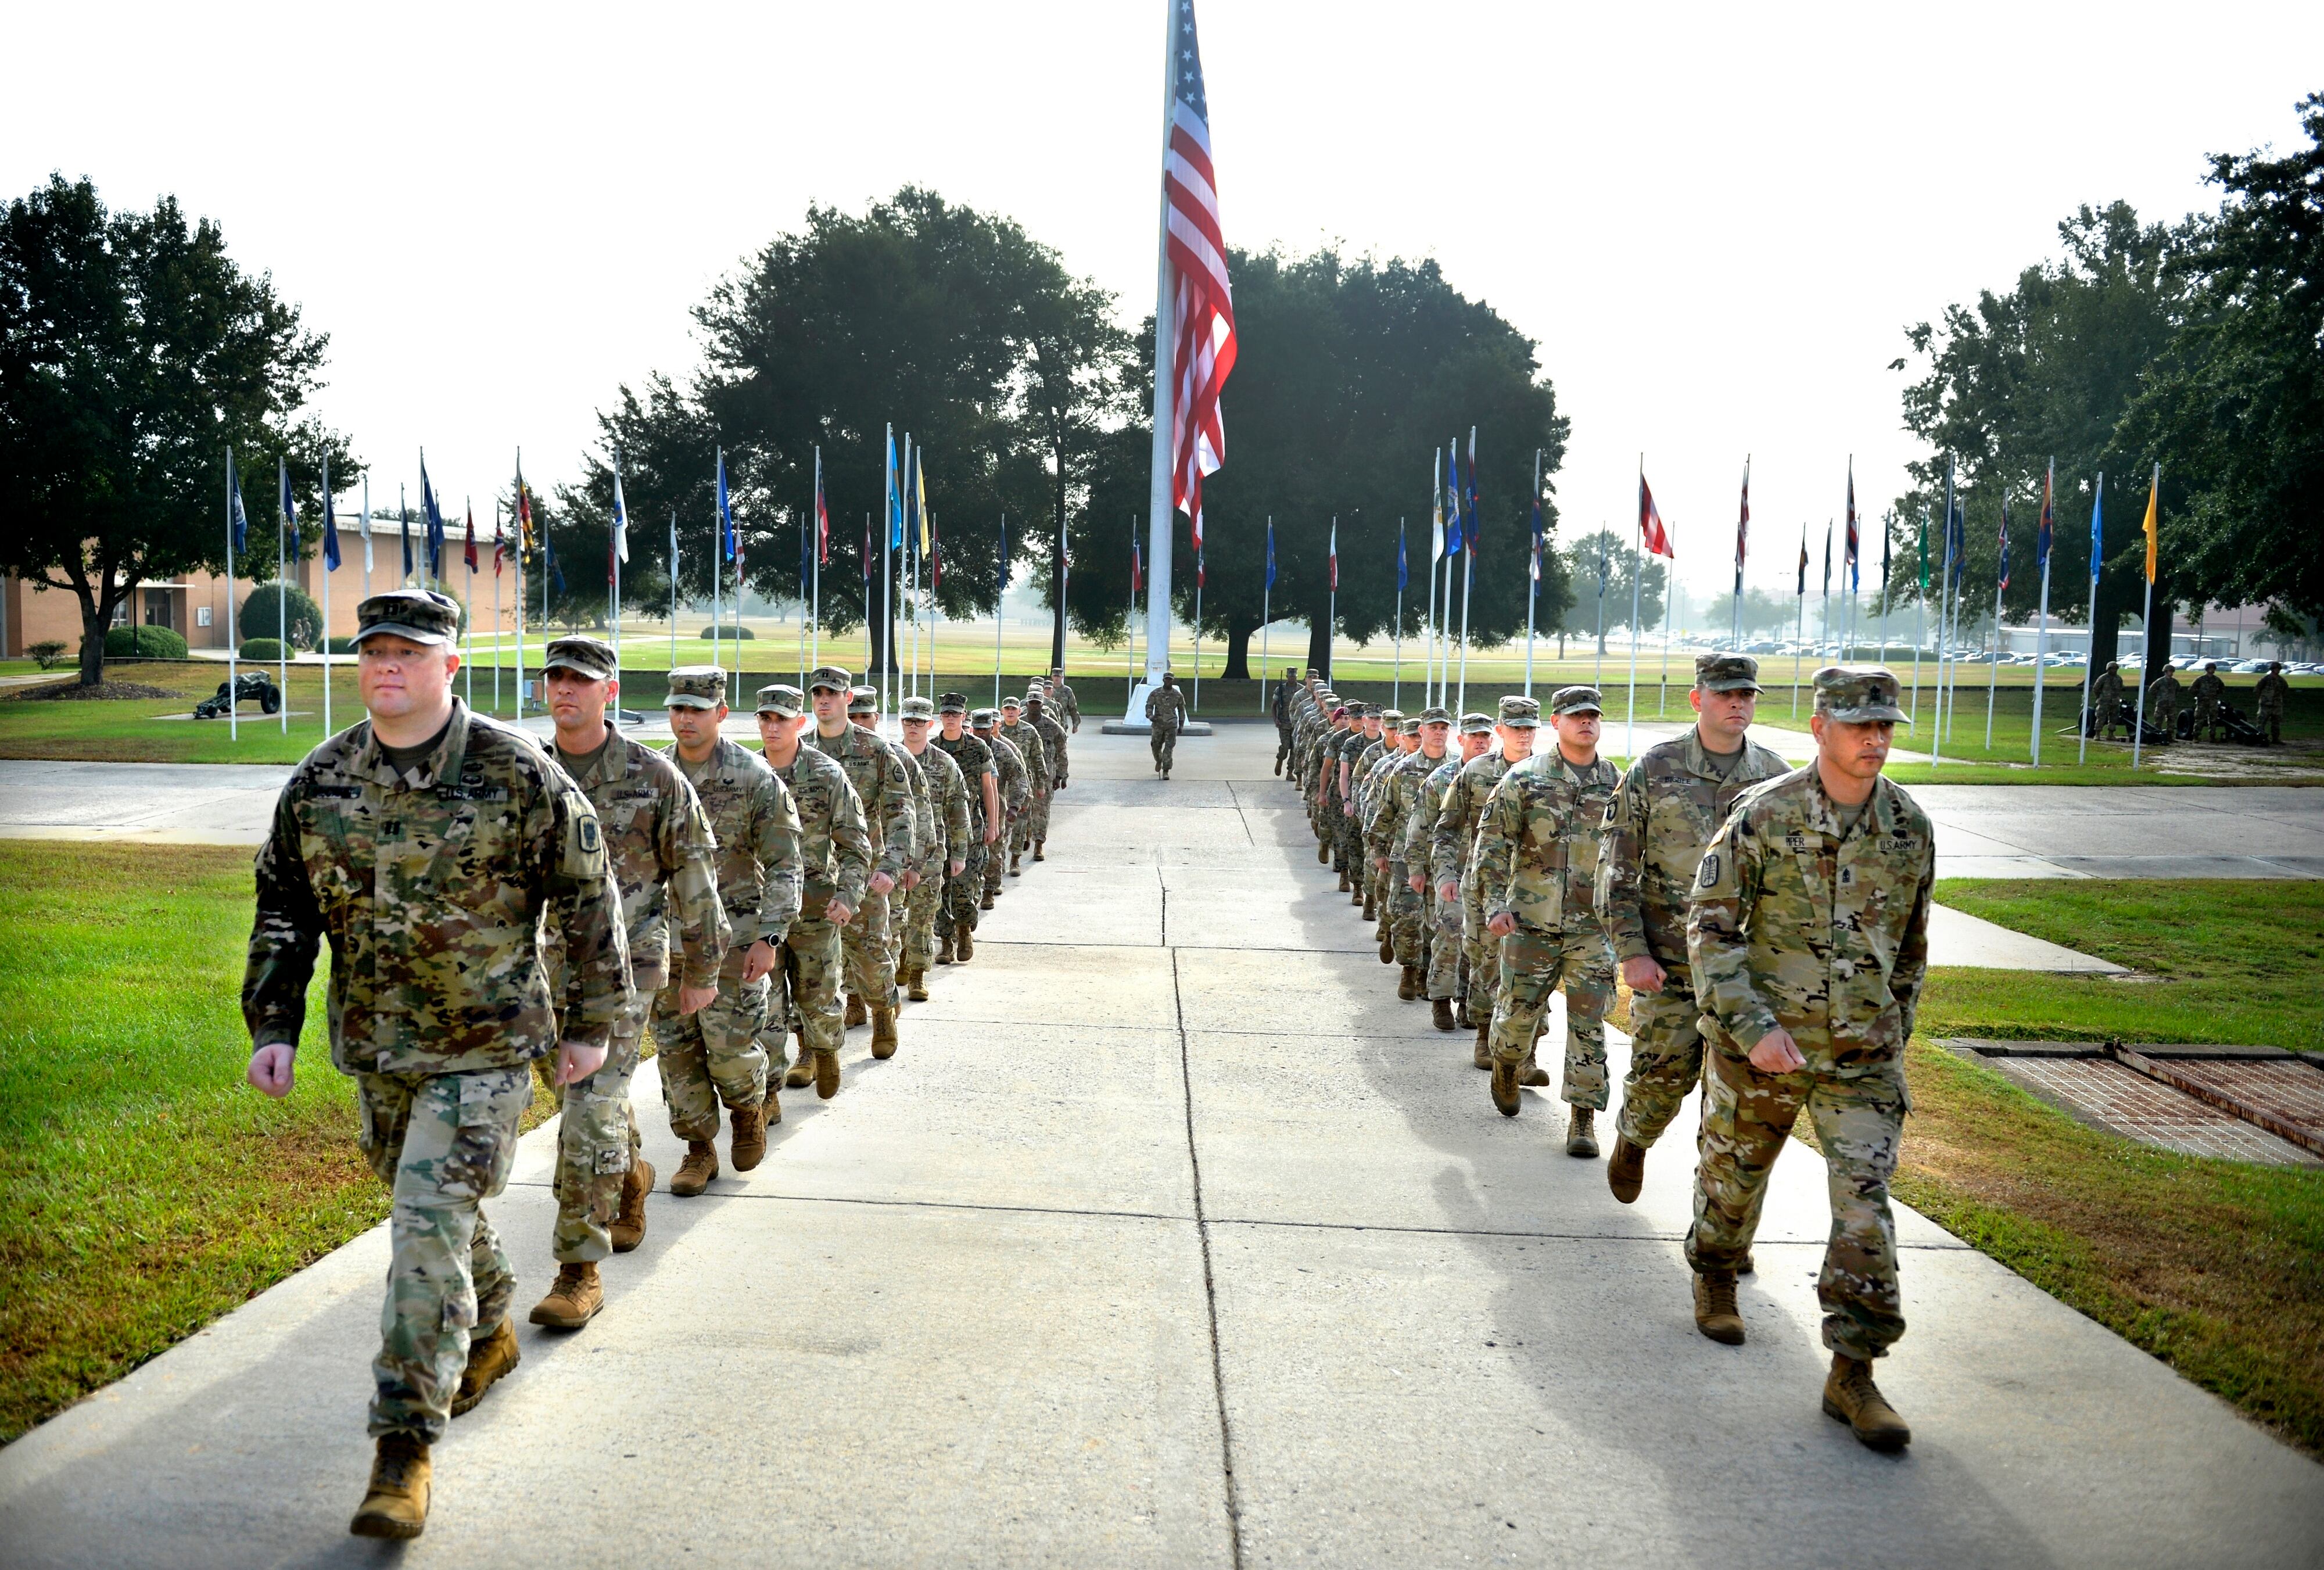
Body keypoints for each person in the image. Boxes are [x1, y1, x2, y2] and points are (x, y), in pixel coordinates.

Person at [242, 590, 629, 1539]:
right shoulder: (322, 777)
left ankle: (402, 1449)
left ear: (449, 666)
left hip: (486, 1049)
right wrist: (273, 1022)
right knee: (437, 1214)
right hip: (377, 1047)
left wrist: (594, 1022)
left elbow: (588, 895)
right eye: (374, 651)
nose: (388, 666)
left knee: (423, 1229)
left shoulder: (515, 771)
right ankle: (489, 1327)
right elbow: (284, 905)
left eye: (409, 653)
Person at [1685, 665, 1933, 1452]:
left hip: (1862, 1054)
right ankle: (1716, 1268)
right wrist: (1751, 1026)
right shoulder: (1765, 814)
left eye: (1885, 725)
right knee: (1733, 1180)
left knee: (1865, 1204)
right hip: (1764, 1047)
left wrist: (1892, 1031)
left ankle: (1853, 1368)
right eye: (1860, 725)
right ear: (1821, 726)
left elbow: (1910, 949)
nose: (1875, 739)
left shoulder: (1909, 825)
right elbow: (1711, 928)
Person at [529, 637, 730, 1331]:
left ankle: (578, 1271)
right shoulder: (526, 773)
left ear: (609, 690)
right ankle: (632, 1171)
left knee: (586, 1110)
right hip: (545, 968)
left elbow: (695, 878)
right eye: (555, 677)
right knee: (585, 1096)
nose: (565, 688)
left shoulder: (654, 776)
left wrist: (702, 969)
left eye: (580, 679)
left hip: (627, 966)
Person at [1597, 654, 1790, 1205]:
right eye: (1726, 694)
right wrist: (1631, 952)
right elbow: (1615, 868)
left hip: (1743, 973)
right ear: (1697, 698)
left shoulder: (1775, 777)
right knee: (1661, 1080)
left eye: (1747, 695)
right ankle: (1635, 1137)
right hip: (1670, 964)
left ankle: (1717, 1216)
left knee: (1734, 1105)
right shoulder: (1655, 768)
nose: (1738, 703)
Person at [658, 667, 804, 1196]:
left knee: (730, 1051)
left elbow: (785, 862)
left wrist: (770, 937)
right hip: (667, 946)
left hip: (735, 943)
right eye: (678, 708)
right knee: (676, 1055)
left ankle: (747, 1110)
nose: (685, 719)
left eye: (697, 710)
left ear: (720, 713)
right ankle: (699, 1149)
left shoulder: (752, 777)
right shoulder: (654, 775)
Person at [1472, 687, 1621, 1148]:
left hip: (1592, 929)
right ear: (1556, 723)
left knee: (1589, 1025)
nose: (1586, 723)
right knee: (1518, 1017)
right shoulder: (1524, 778)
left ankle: (1582, 1119)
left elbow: (1632, 853)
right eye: (1576, 716)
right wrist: (1495, 906)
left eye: (1593, 715)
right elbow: (1492, 844)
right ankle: (1506, 1064)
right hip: (1530, 922)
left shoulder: (1618, 783)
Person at [759, 685, 871, 1100]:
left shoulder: (826, 774)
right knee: (765, 1008)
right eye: (766, 718)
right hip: (762, 913)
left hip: (816, 908)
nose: (773, 727)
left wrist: (849, 895)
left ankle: (824, 1051)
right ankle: (768, 1097)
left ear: (800, 723)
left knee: (817, 998)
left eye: (782, 719)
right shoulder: (748, 773)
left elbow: (856, 844)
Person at [806, 666, 914, 1060]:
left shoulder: (876, 750)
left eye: (832, 694)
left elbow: (901, 812)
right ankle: (812, 1048)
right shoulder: (800, 751)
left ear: (847, 698)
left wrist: (892, 867)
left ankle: (883, 1012)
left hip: (865, 871)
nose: (824, 700)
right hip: (814, 873)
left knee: (870, 953)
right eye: (818, 693)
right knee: (811, 965)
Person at [1433, 696, 1538, 1064]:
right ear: (1500, 730)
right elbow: (1446, 829)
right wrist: (1445, 873)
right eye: (1516, 727)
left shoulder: (1548, 773)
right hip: (1482, 885)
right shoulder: (1476, 772)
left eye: (1530, 728)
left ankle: (1527, 1055)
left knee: (1534, 971)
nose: (1523, 734)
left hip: (1535, 891)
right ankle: (1483, 1035)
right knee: (1487, 965)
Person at [1410, 713, 1493, 1031]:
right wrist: (1417, 868)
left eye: (1485, 736)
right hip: (1451, 872)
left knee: (1480, 943)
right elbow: (1422, 824)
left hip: (1488, 876)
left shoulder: (1503, 777)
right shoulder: (1443, 778)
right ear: (1462, 740)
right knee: (1450, 934)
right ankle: (1442, 1000)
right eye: (1474, 737)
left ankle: (1468, 1002)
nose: (1480, 742)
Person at [1374, 709, 1450, 1000]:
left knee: (1436, 922)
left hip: (1443, 859)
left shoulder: (1458, 768)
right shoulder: (1403, 769)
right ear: (1422, 730)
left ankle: (1424, 972)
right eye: (1433, 728)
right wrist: (1378, 849)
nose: (1438, 733)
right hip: (1405, 855)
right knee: (1407, 917)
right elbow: (1386, 810)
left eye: (1443, 728)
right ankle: (1408, 967)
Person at [897, 696, 970, 998]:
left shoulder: (944, 763)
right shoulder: (889, 757)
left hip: (930, 852)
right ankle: (900, 958)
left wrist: (960, 852)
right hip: (893, 853)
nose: (913, 727)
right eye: (908, 721)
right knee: (893, 916)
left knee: (923, 914)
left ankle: (917, 974)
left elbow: (958, 809)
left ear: (930, 724)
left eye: (919, 721)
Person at [931, 693, 999, 957]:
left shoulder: (978, 748)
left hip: (971, 829)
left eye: (955, 714)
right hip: (938, 832)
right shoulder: (932, 748)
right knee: (941, 887)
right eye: (946, 714)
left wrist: (993, 825)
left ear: (964, 716)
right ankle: (945, 941)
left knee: (965, 884)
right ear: (940, 717)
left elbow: (988, 788)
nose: (951, 718)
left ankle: (964, 931)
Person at [974, 707, 1030, 907]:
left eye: (985, 729)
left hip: (997, 809)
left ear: (993, 728)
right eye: (978, 729)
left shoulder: (1004, 750)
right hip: (970, 808)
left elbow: (1019, 778)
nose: (981, 733)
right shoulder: (967, 748)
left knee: (994, 851)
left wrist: (1015, 806)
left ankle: (989, 890)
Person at [997, 694, 1052, 874]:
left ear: (1019, 711)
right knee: (1002, 826)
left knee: (1020, 823)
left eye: (1013, 709)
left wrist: (1041, 784)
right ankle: (1000, 861)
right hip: (1001, 785)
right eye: (1007, 709)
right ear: (1002, 711)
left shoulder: (1029, 731)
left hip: (1022, 784)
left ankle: (1015, 860)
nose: (1010, 712)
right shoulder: (996, 731)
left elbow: (1038, 758)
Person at [1025, 693, 1070, 858]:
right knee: (1024, 809)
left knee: (1042, 810)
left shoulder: (1052, 726)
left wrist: (1061, 775)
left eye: (1037, 703)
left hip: (1045, 776)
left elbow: (1062, 751)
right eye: (1032, 703)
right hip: (1023, 775)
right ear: (1027, 704)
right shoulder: (1020, 724)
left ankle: (1039, 844)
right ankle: (1026, 833)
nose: (1034, 706)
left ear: (1042, 705)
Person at [1146, 671, 1189, 778]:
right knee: (1155, 745)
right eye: (1167, 679)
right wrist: (1150, 716)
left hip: (1171, 725)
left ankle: (1166, 770)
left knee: (1169, 748)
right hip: (1158, 724)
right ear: (1163, 680)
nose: (1168, 681)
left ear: (1173, 681)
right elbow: (1149, 705)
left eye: (1170, 679)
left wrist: (1181, 725)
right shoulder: (1156, 693)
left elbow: (1181, 710)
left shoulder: (1178, 695)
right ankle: (1159, 760)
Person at [1272, 665, 1300, 776]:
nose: (1292, 678)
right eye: (1290, 676)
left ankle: (1290, 772)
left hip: (1296, 724)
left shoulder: (1301, 690)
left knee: (1295, 749)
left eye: (1294, 676)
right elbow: (1274, 706)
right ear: (1287, 676)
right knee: (1285, 747)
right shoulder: (1280, 689)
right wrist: (1276, 720)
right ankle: (1280, 759)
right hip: (1284, 723)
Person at [2255, 660, 2291, 745]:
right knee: (2261, 722)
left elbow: (2285, 690)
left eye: (2279, 669)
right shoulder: (2265, 679)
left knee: (2276, 723)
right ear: (2272, 669)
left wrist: (2280, 699)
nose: (2278, 670)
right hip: (2265, 704)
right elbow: (2258, 689)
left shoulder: (2281, 681)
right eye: (2276, 669)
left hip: (2277, 705)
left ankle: (2276, 738)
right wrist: (2261, 699)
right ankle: (2260, 737)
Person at [2191, 660, 2228, 743]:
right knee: (2199, 719)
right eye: (2210, 668)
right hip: (2202, 703)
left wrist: (2216, 694)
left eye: (2213, 669)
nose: (2212, 670)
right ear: (2207, 669)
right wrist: (2199, 695)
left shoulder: (2217, 680)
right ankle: (2196, 736)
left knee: (2213, 720)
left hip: (2213, 702)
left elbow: (2222, 688)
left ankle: (2212, 736)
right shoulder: (2200, 679)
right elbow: (2192, 689)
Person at [2090, 660, 2127, 741]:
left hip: (2115, 702)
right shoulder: (2103, 678)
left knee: (2114, 719)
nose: (2114, 670)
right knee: (2101, 718)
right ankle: (2097, 735)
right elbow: (2096, 688)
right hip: (2104, 702)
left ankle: (2111, 735)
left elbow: (2121, 688)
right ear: (2108, 669)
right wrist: (2100, 697)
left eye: (2116, 669)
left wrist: (2117, 697)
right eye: (2112, 669)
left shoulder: (2118, 679)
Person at [2147, 662, 2184, 743]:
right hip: (2161, 704)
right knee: (2158, 721)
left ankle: (2170, 737)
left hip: (2172, 705)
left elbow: (2178, 690)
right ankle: (2157, 736)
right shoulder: (2160, 681)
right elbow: (2151, 690)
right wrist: (2158, 697)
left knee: (2171, 721)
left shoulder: (2175, 682)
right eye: (2170, 671)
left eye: (2172, 671)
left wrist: (2173, 697)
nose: (2171, 673)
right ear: (2166, 672)